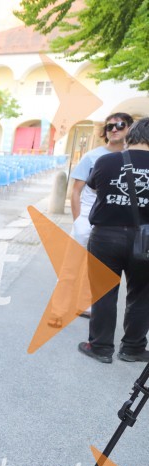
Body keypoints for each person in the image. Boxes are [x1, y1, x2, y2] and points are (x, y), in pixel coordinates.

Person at [49, 112, 134, 327]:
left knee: (97, 266)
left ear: (130, 129)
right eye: (109, 127)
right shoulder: (92, 156)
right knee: (71, 266)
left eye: (120, 125)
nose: (114, 129)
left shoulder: (134, 157)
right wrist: (79, 220)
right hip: (88, 216)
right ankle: (58, 310)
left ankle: (86, 304)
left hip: (111, 222)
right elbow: (76, 191)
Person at [78, 117, 149, 364]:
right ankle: (133, 348)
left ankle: (100, 347)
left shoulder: (106, 161)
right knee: (142, 294)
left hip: (106, 235)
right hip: (145, 238)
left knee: (104, 292)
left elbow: (94, 190)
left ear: (132, 135)